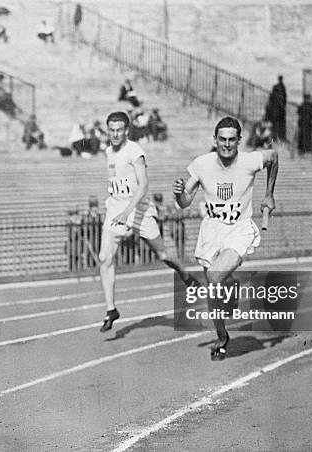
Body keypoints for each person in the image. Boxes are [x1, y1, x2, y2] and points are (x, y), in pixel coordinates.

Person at [172, 116, 278, 360]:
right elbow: (185, 202)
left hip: (239, 229)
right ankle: (222, 336)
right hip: (211, 231)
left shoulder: (250, 160)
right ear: (215, 140)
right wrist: (179, 196)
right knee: (214, 286)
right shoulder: (201, 164)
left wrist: (269, 194)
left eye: (232, 140)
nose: (227, 144)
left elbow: (273, 157)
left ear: (239, 141)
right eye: (222, 139)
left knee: (215, 275)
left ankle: (226, 282)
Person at [98, 111, 193, 332]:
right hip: (115, 208)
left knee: (163, 255)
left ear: (126, 131)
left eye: (119, 130)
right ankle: (111, 309)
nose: (114, 134)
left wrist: (128, 212)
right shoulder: (108, 151)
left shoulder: (135, 151)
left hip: (139, 208)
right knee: (104, 258)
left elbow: (143, 186)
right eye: (111, 130)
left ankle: (185, 275)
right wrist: (118, 210)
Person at [267, 75, 287, 141]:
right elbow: (284, 99)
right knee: (280, 124)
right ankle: (280, 137)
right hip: (279, 109)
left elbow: (271, 98)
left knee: (276, 124)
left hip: (276, 109)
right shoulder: (282, 87)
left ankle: (276, 137)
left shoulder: (276, 87)